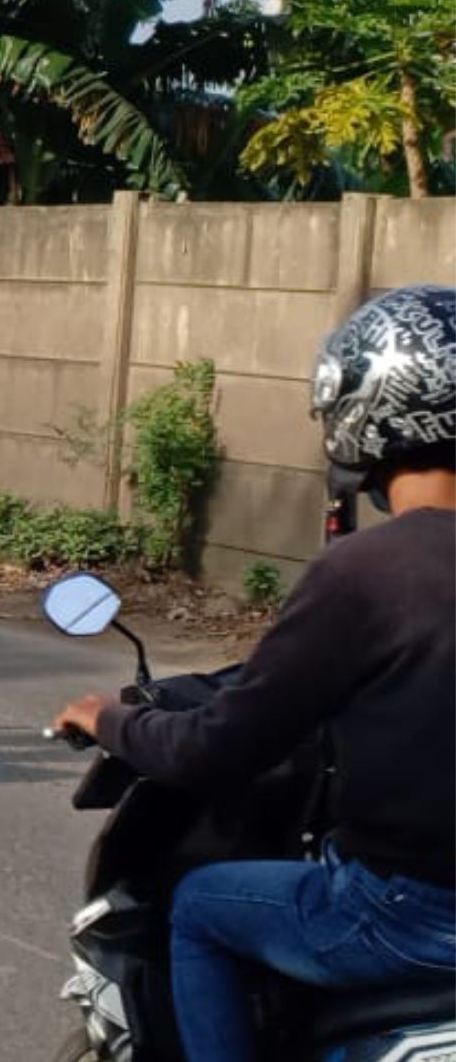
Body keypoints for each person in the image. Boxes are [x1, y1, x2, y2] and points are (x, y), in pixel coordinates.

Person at [51, 283, 456, 1062]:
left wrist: (109, 717)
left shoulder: (368, 571)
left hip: (410, 914)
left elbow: (216, 749)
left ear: (362, 412)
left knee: (198, 905)